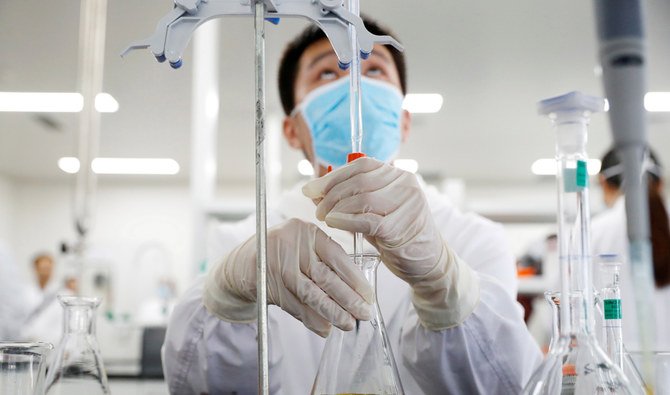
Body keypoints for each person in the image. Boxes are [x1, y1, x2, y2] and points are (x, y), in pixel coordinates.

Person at [163, 18, 542, 394]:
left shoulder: (473, 240)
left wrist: (444, 286)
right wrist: (229, 301)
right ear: (293, 130)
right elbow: (199, 387)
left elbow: (507, 386)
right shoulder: (241, 243)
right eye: (327, 73)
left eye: (374, 68)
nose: (354, 86)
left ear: (404, 120)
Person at [591, 147, 670, 351]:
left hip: (611, 371)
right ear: (661, 182)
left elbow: (563, 310)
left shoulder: (592, 232)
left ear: (603, 182)